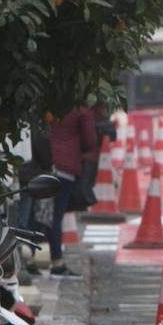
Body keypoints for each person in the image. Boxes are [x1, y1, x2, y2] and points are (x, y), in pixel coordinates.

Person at [46, 104, 98, 276]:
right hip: (66, 167)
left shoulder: (49, 101)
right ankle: (57, 260)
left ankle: (33, 256)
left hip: (46, 162)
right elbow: (90, 140)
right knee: (56, 216)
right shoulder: (79, 107)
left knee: (43, 213)